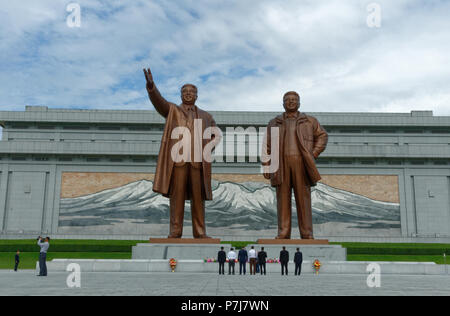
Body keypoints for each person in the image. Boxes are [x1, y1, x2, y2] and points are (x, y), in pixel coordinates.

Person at [143, 67, 221, 238]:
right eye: (184, 91)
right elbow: (159, 102)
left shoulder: (206, 117)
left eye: (191, 91)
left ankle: (200, 233)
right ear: (180, 95)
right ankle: (175, 231)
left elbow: (216, 134)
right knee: (176, 198)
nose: (188, 94)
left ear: (196, 95)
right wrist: (151, 87)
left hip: (197, 163)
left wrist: (207, 148)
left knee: (198, 199)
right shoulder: (172, 111)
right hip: (178, 161)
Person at [263, 91, 328, 239]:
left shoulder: (309, 121)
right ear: (283, 103)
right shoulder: (275, 122)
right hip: (281, 165)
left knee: (303, 199)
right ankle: (283, 232)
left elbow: (323, 136)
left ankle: (307, 233)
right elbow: (266, 145)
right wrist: (267, 165)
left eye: (294, 100)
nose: (291, 102)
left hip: (301, 163)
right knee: (282, 199)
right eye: (287, 100)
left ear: (299, 103)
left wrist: (314, 153)